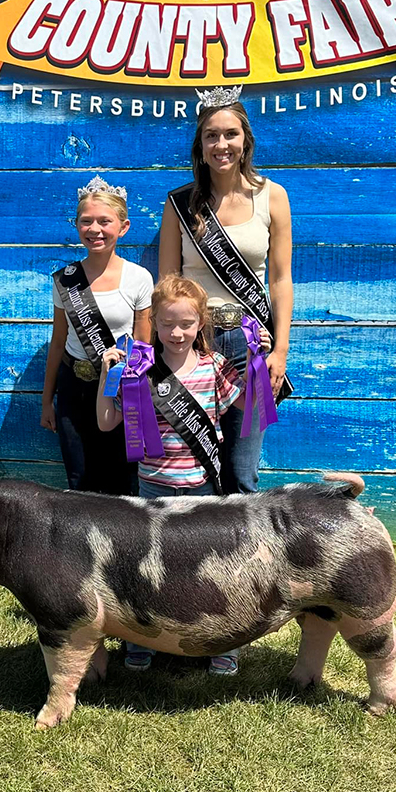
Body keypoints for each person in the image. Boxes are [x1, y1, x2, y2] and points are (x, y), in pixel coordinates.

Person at [97, 275, 268, 676]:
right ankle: (140, 638)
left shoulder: (214, 366)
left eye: (186, 324)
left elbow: (254, 406)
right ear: (153, 322)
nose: (177, 332)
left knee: (212, 570)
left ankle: (224, 643)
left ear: (201, 324)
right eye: (168, 323)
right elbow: (107, 423)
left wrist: (259, 359)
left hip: (202, 487)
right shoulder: (140, 369)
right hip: (152, 486)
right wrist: (108, 377)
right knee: (143, 568)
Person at [158, 86, 293, 494]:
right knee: (193, 461)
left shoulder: (274, 196)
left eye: (230, 134)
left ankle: (249, 558)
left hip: (250, 344)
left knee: (241, 470)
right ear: (199, 146)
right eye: (211, 136)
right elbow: (167, 283)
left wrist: (281, 351)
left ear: (246, 140)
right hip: (192, 343)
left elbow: (281, 279)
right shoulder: (179, 203)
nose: (222, 144)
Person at [41, 176, 152, 494]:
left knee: (119, 482)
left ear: (124, 226)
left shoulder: (138, 278)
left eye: (105, 221)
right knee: (79, 481)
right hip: (74, 388)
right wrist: (47, 400)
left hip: (119, 392)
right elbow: (58, 341)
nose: (95, 229)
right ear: (76, 226)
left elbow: (143, 347)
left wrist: (137, 404)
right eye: (86, 221)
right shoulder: (66, 280)